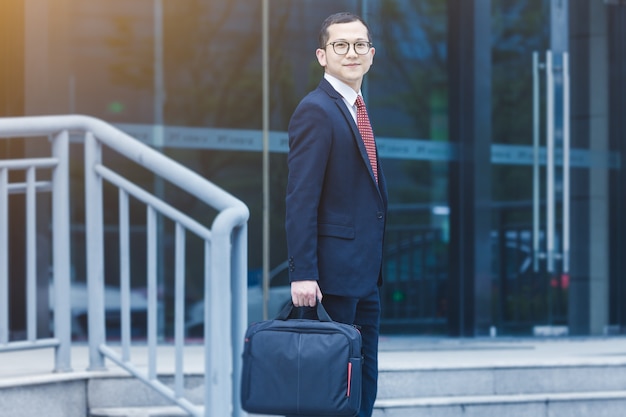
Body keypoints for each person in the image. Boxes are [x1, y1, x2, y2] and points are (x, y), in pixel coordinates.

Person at [285, 11, 387, 417]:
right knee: (330, 389)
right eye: (340, 45)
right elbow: (300, 198)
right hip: (330, 280)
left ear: (372, 54)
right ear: (322, 55)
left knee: (364, 384)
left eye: (359, 45)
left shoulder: (358, 108)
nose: (351, 53)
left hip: (365, 278)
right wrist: (302, 272)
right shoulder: (316, 110)